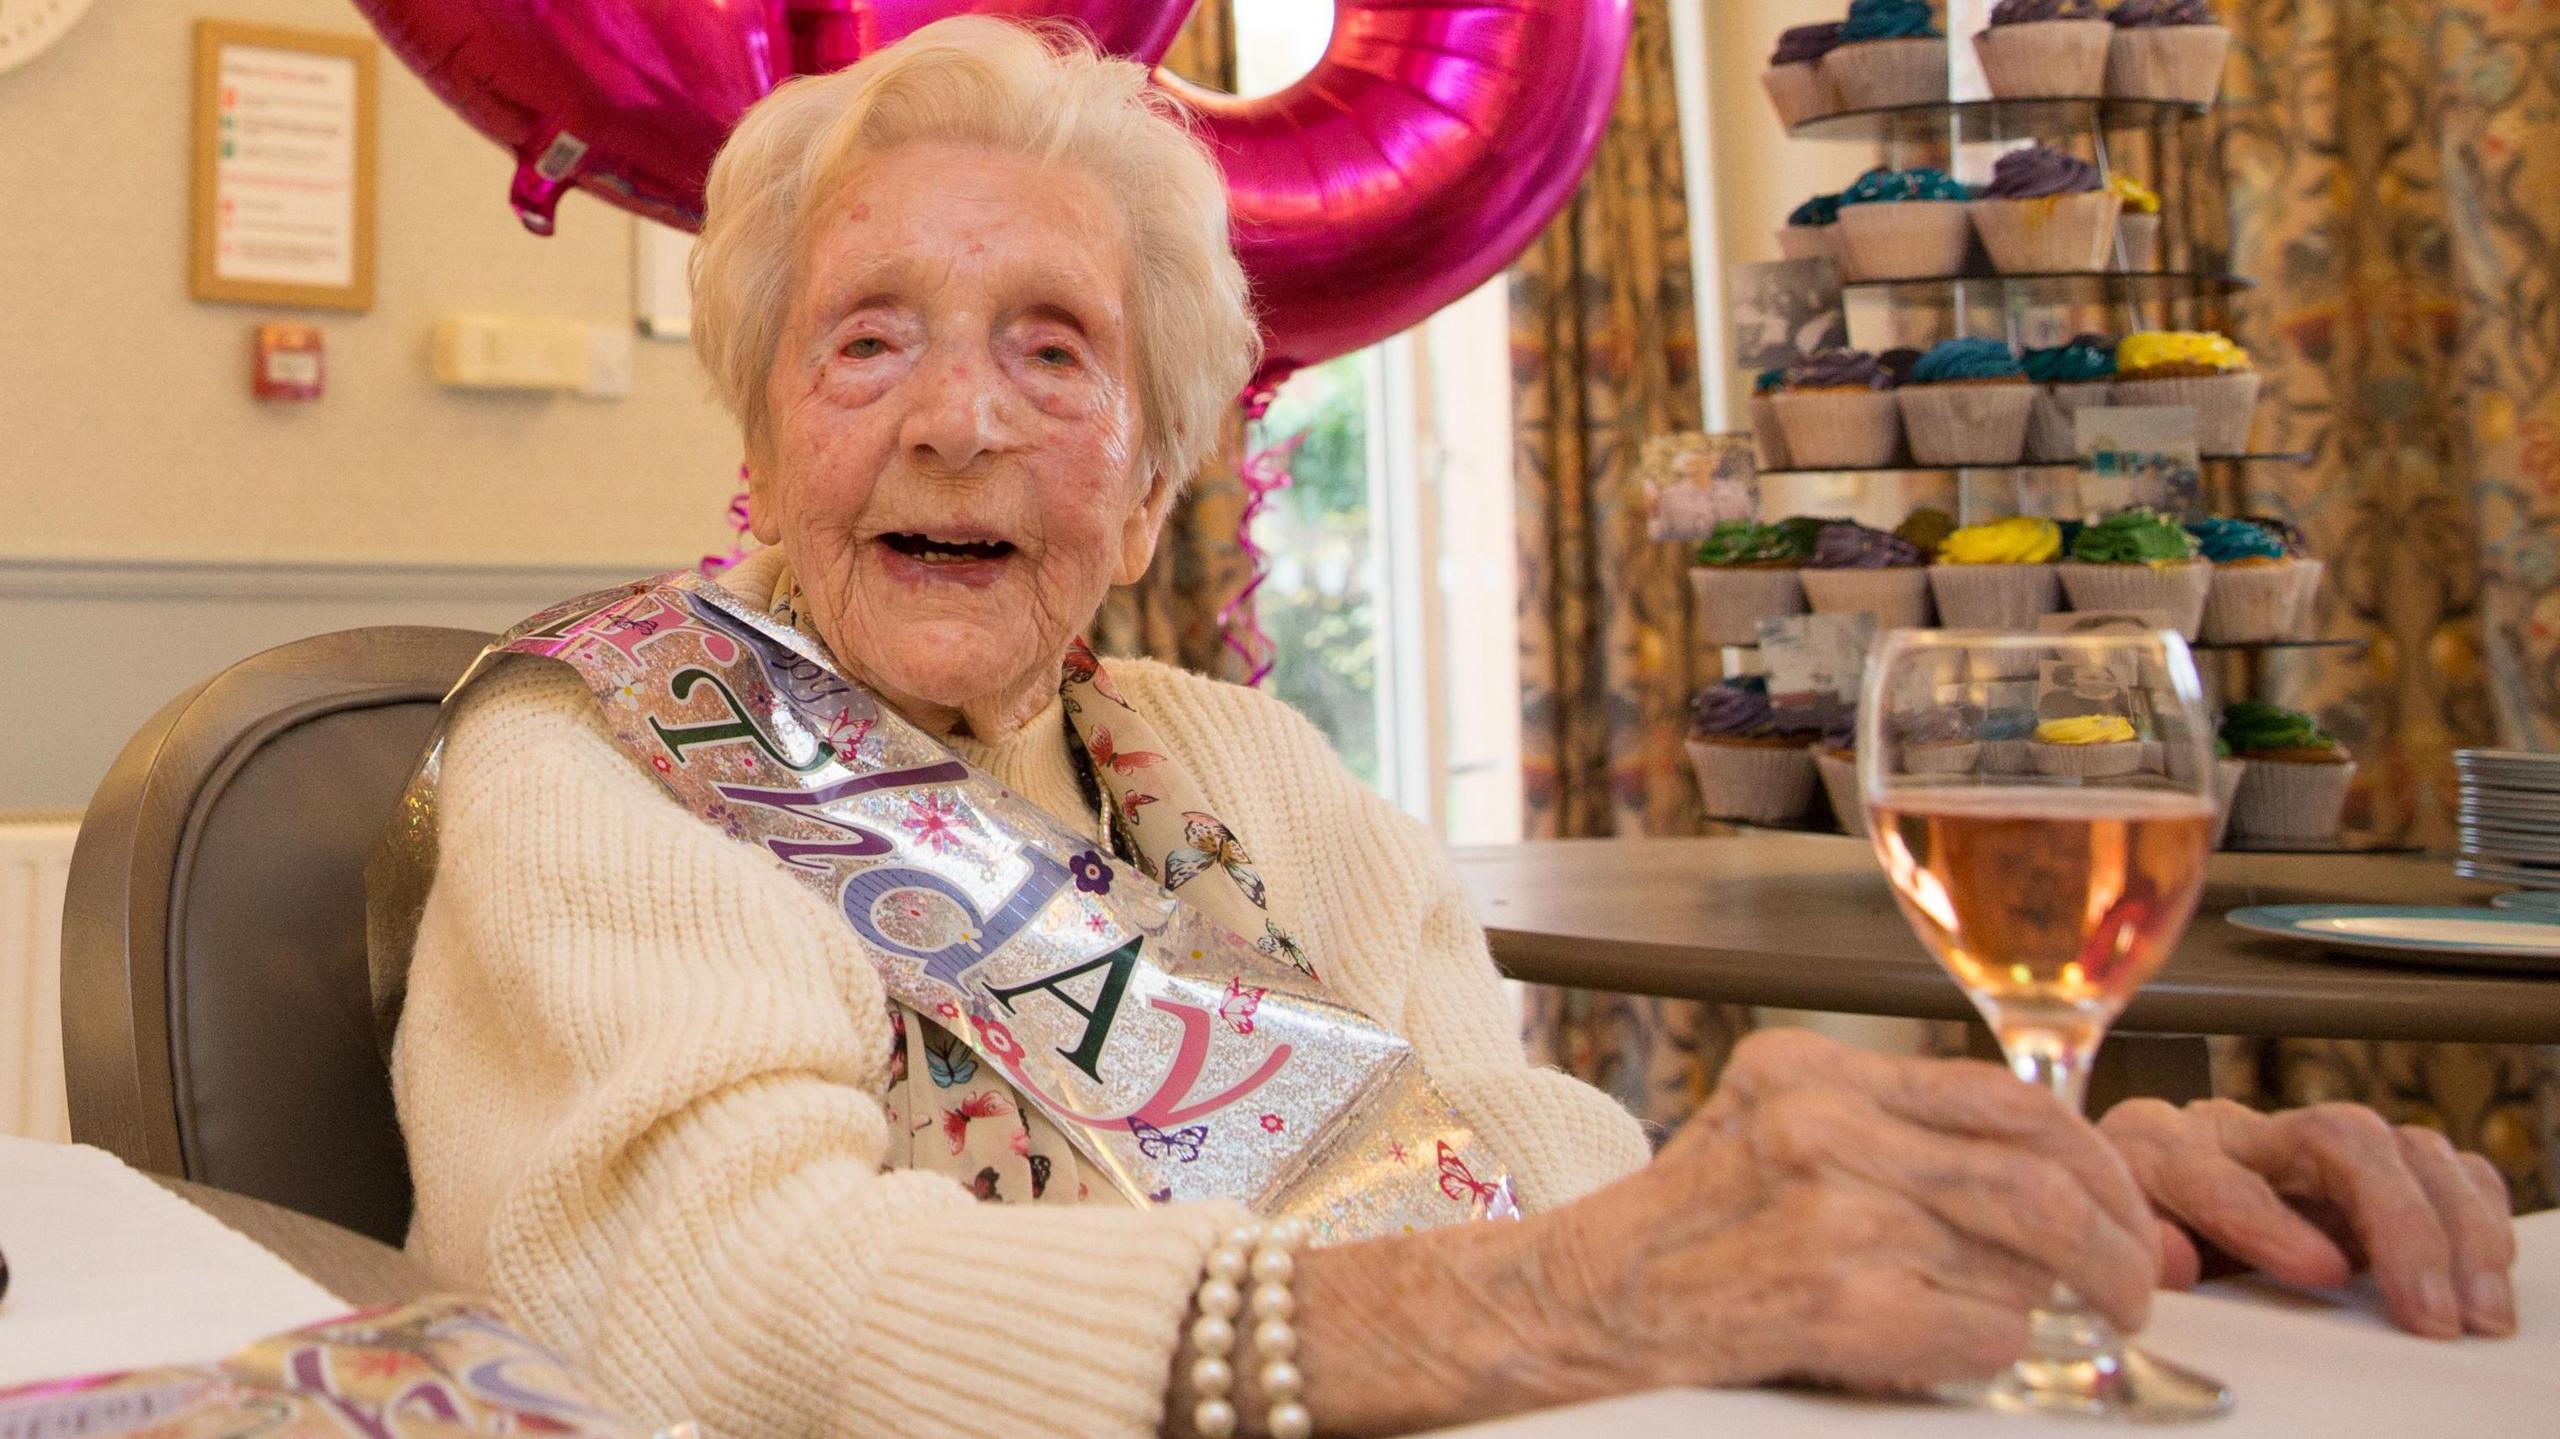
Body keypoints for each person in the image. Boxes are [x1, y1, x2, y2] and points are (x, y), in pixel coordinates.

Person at [387, 17, 2518, 1439]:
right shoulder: (606, 760)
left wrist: (2016, 1204)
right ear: (764, 427)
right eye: (869, 340)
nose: (957, 416)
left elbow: (1532, 1188)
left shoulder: (1245, 769)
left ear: (1147, 479)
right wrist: (1560, 1306)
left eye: (1053, 350)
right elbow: (701, 1306)